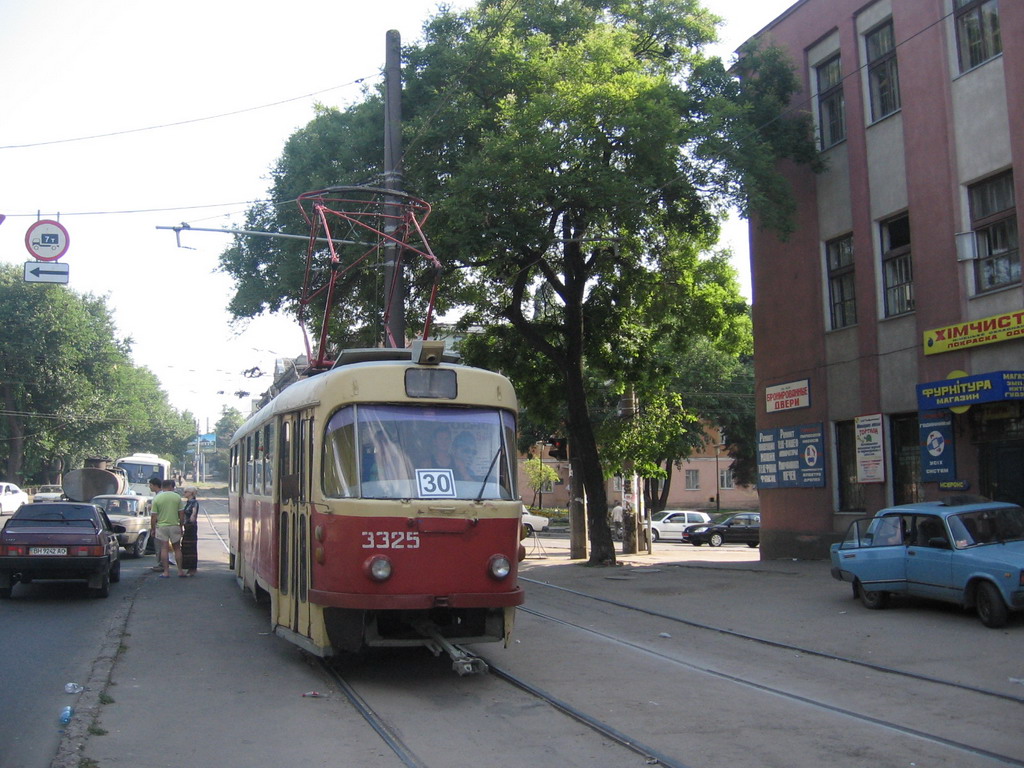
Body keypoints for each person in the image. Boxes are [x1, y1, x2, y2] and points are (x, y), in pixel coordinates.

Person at [149, 479, 185, 578]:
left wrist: (153, 529)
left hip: (161, 526)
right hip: (174, 525)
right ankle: (180, 571)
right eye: (173, 487)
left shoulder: (157, 498)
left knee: (164, 548)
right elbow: (181, 514)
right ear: (170, 486)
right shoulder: (177, 497)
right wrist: (181, 526)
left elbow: (153, 516)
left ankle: (166, 572)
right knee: (177, 548)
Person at [179, 486, 199, 576]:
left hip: (191, 526)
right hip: (187, 526)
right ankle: (187, 567)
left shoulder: (194, 502)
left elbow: (194, 512)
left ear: (191, 493)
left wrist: (192, 517)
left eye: (186, 492)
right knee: (185, 546)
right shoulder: (188, 502)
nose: (184, 493)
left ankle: (192, 568)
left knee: (191, 547)